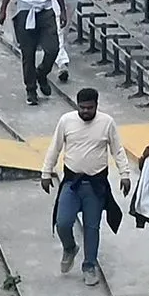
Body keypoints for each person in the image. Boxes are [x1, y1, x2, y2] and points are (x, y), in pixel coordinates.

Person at [41, 89, 121, 278]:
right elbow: (55, 148)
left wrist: (125, 174)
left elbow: (118, 150)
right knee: (63, 222)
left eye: (90, 108)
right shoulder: (66, 121)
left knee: (92, 227)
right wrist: (46, 172)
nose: (86, 111)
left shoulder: (107, 122)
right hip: (71, 182)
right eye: (82, 107)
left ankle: (89, 265)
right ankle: (69, 248)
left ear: (96, 106)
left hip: (95, 185)